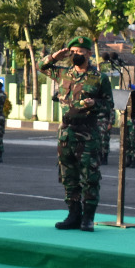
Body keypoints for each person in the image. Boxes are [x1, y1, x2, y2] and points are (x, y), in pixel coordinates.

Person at [40, 37, 113, 230]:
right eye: (73, 51)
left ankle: (88, 218)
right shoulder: (63, 74)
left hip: (87, 133)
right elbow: (42, 66)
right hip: (66, 133)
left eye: (80, 51)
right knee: (68, 175)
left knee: (89, 176)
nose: (76, 55)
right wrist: (56, 55)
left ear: (89, 53)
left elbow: (109, 104)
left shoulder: (99, 78)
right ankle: (73, 214)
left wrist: (95, 104)